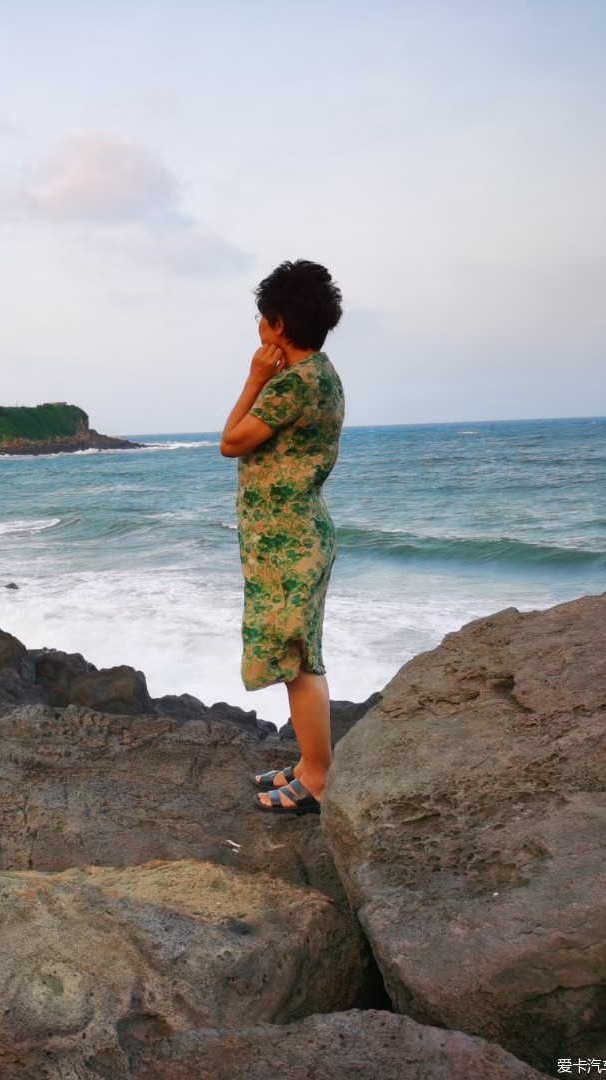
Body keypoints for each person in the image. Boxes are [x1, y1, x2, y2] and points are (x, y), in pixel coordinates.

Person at [219, 260, 345, 814]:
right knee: (303, 654)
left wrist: (254, 377)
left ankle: (317, 777)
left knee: (298, 662)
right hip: (299, 533)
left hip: (289, 541)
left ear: (277, 325)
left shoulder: (291, 384)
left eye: (260, 318)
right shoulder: (323, 373)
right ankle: (308, 762)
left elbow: (232, 441)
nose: (257, 327)